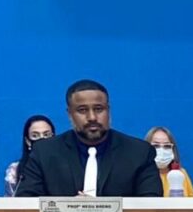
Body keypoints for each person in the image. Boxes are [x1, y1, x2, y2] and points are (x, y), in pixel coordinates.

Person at [18, 80, 162, 198]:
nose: (92, 117)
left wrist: (100, 210)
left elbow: (151, 207)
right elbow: (26, 204)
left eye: (99, 109)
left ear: (108, 110)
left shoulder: (139, 153)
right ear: (69, 114)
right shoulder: (44, 153)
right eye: (82, 110)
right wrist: (68, 209)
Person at [5, 115, 56, 196]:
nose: (42, 139)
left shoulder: (65, 166)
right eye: (35, 136)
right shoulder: (15, 170)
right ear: (27, 141)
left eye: (46, 135)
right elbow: (11, 201)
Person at [144, 126, 193, 196]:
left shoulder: (181, 173)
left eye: (167, 146)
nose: (162, 151)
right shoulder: (141, 177)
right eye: (156, 146)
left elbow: (192, 197)